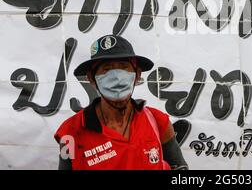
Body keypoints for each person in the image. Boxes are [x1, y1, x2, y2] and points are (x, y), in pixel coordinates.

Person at [54, 34, 188, 170]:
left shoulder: (159, 122)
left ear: (138, 75)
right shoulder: (70, 133)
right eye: (106, 69)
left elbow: (180, 169)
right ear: (92, 78)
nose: (117, 77)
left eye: (124, 67)